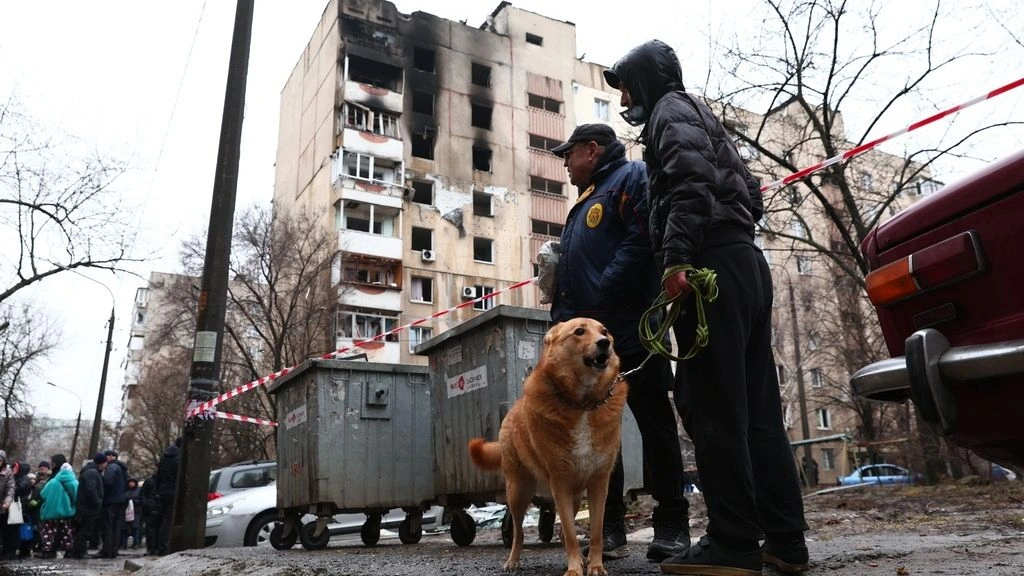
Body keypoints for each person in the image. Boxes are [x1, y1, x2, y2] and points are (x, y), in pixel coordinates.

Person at [605, 39, 809, 575]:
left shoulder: (670, 112)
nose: (624, 97)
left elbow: (691, 183)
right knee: (758, 410)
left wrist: (676, 258)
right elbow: (752, 193)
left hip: (708, 266)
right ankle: (785, 542)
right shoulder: (704, 114)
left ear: (646, 80)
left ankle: (733, 543)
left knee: (711, 405)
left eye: (626, 85)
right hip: (743, 261)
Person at [547, 123, 691, 561]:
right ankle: (608, 529)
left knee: (654, 422)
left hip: (631, 327)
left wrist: (606, 288)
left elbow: (642, 237)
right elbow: (576, 271)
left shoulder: (630, 178)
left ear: (592, 150)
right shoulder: (585, 200)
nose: (566, 164)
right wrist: (563, 317)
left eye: (568, 155)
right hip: (590, 343)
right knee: (597, 432)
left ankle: (671, 524)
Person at [38, 462, 78, 559]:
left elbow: (43, 494)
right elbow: (76, 497)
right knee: (66, 531)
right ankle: (68, 551)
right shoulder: (74, 482)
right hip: (66, 512)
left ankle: (46, 551)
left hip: (50, 512)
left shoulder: (52, 481)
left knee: (49, 531)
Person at [70, 453, 106, 560]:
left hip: (85, 507)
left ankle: (79, 551)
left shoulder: (89, 471)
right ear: (101, 463)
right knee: (85, 530)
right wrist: (98, 502)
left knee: (83, 530)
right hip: (88, 508)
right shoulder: (92, 473)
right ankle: (80, 552)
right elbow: (91, 490)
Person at [99, 450, 128, 559]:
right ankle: (113, 550)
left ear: (111, 456)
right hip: (120, 500)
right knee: (116, 527)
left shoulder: (112, 467)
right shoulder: (122, 468)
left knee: (108, 526)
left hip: (111, 500)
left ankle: (107, 550)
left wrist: (103, 493)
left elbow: (108, 482)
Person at [155, 437, 181, 555]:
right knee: (169, 520)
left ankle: (161, 545)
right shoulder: (178, 459)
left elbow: (158, 477)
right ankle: (165, 546)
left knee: (164, 519)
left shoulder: (164, 458)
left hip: (163, 492)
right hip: (173, 492)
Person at [120, 477, 142, 549]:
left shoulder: (138, 491)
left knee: (135, 528)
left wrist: (135, 501)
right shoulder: (125, 491)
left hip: (135, 511)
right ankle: (123, 544)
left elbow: (141, 499)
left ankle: (136, 543)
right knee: (124, 529)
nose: (131, 484)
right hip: (125, 512)